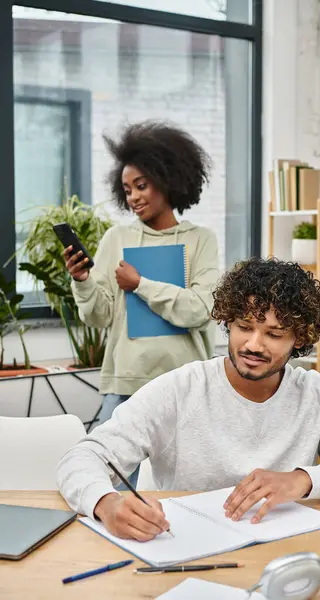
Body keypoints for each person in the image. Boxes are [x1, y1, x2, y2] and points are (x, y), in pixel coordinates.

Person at [57, 257, 320, 541]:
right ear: (227, 323)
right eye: (244, 326)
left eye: (274, 334)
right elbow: (84, 457)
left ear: (300, 338)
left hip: (282, 548)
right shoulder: (180, 389)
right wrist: (105, 502)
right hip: (182, 546)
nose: (253, 345)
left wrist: (302, 479)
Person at [63, 121, 219, 486]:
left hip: (185, 386)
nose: (132, 196)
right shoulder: (117, 238)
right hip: (124, 385)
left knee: (190, 486)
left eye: (142, 185)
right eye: (127, 189)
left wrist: (141, 284)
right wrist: (82, 280)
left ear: (169, 179)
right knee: (106, 482)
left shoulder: (200, 241)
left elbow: (199, 309)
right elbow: (98, 316)